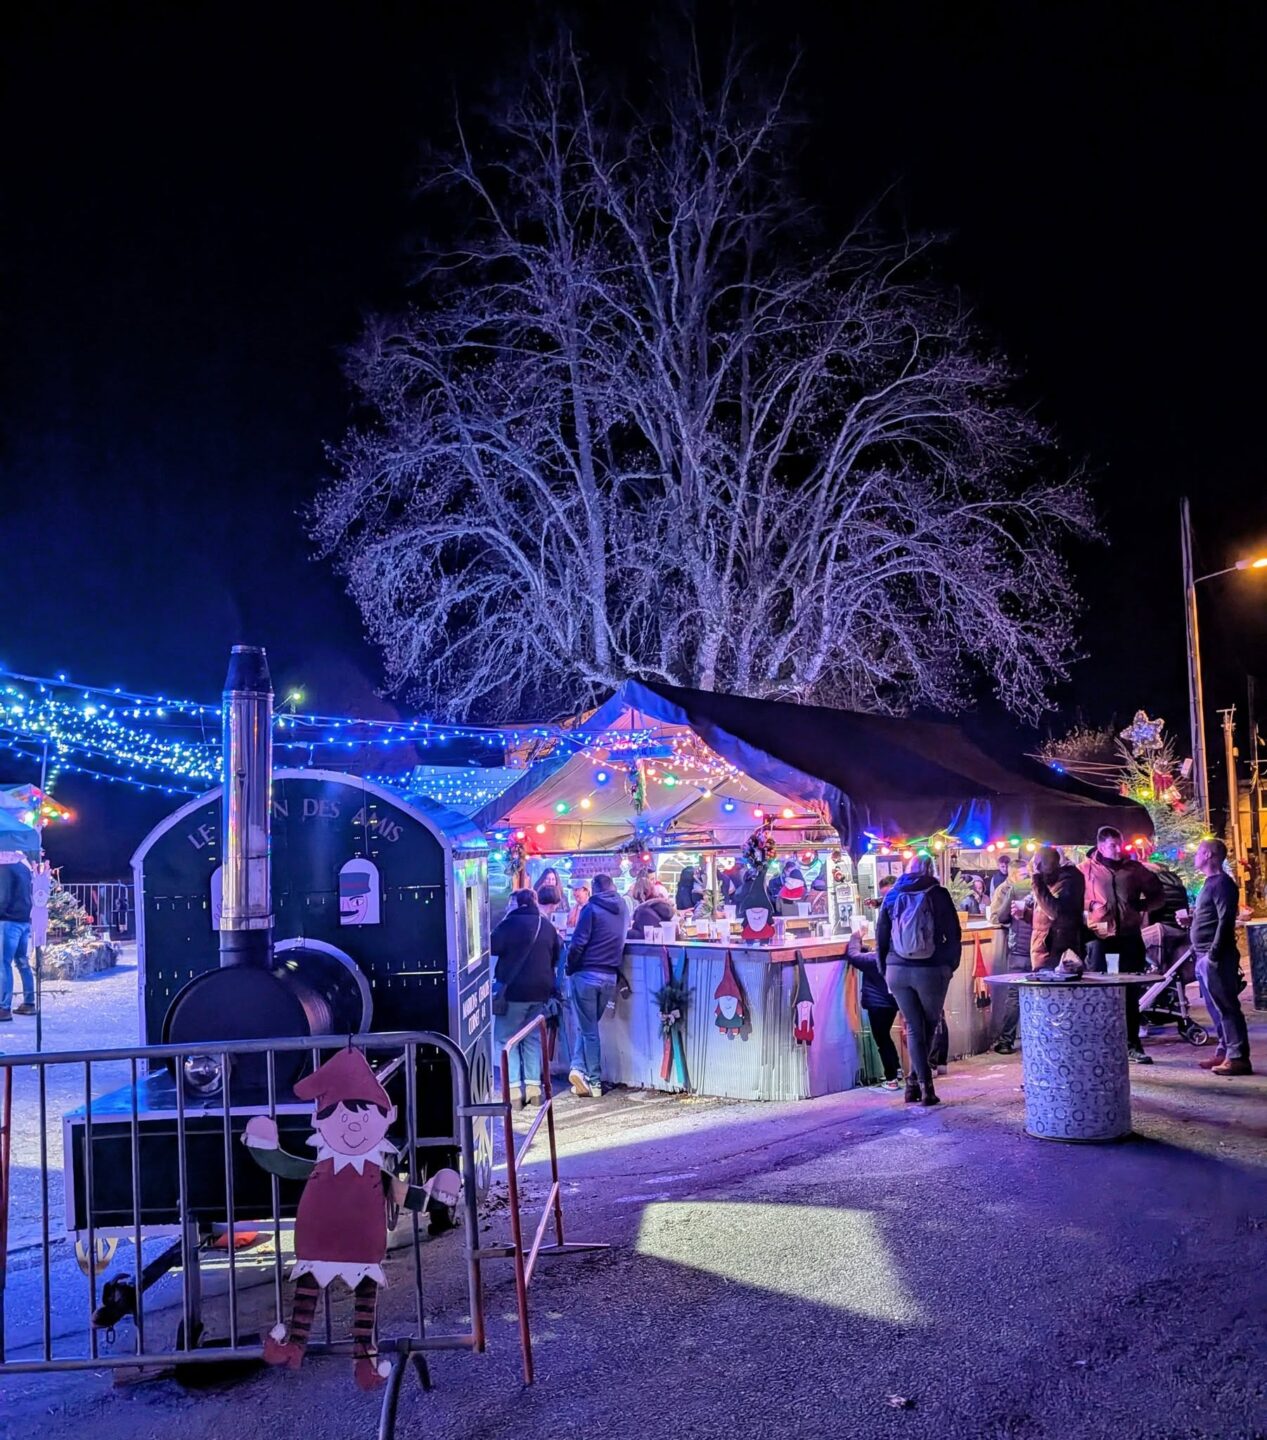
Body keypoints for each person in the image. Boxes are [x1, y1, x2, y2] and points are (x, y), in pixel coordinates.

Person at [876, 855, 961, 1106]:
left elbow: (880, 934)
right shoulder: (939, 894)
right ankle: (926, 1090)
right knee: (928, 1025)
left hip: (896, 969)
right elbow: (953, 934)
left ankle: (913, 1084)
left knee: (913, 1027)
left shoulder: (891, 895)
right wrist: (949, 965)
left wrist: (885, 968)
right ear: (931, 869)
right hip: (930, 969)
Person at [1080, 826, 1164, 1064]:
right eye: (1112, 845)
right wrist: (1090, 910)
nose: (1119, 849)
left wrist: (1143, 908)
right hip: (1101, 940)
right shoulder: (1085, 870)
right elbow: (1074, 898)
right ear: (1100, 846)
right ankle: (1102, 1044)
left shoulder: (1134, 869)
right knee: (1100, 990)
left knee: (1129, 992)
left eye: (1120, 844)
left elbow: (1158, 894)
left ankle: (1132, 1044)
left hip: (1128, 938)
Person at [490, 888, 561, 1108]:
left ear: (516, 903)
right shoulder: (547, 926)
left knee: (506, 1039)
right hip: (541, 991)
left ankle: (513, 1092)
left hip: (515, 992)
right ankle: (533, 1090)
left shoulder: (508, 925)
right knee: (531, 1038)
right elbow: (557, 956)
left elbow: (491, 947)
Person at [1190, 838, 1252, 1076]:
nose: (1195, 856)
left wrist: (1214, 954)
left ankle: (1237, 1057)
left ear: (1208, 855)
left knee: (1227, 1006)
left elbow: (1225, 921)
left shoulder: (1222, 884)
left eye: (1198, 852)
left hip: (1215, 956)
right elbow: (1212, 916)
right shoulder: (1210, 883)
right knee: (1216, 1007)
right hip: (1204, 954)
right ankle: (1224, 1050)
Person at [564, 874, 628, 1098]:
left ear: (593, 889)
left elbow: (578, 943)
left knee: (589, 1030)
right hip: (610, 977)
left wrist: (569, 967)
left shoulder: (591, 909)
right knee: (588, 1026)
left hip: (586, 975)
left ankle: (594, 1081)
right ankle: (577, 1069)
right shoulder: (623, 909)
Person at [846, 931, 902, 1090]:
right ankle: (897, 1070)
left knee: (882, 1041)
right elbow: (861, 954)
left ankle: (891, 1079)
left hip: (877, 1006)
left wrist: (856, 936)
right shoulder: (895, 957)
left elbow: (853, 956)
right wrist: (863, 946)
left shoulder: (874, 959)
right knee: (886, 1037)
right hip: (892, 1004)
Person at [989, 864, 1035, 1054]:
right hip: (1044, 951)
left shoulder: (1017, 888)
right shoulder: (1053, 886)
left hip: (1020, 951)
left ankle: (1006, 1041)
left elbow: (1000, 916)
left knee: (1014, 996)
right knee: (1041, 994)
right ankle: (1037, 1038)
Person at [1029, 846, 1086, 968]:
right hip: (1043, 949)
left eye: (1037, 863)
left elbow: (1055, 912)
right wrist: (1024, 914)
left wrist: (1037, 880)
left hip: (1057, 950)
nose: (1035, 867)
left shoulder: (1067, 880)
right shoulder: (1048, 882)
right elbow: (1044, 917)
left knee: (1055, 985)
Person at [0, 850, 36, 1022]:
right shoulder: (23, 866)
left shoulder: (4, 867)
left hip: (8, 921)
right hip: (23, 919)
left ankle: (3, 1007)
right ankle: (29, 1002)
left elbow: (3, 896)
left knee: (3, 963)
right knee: (22, 961)